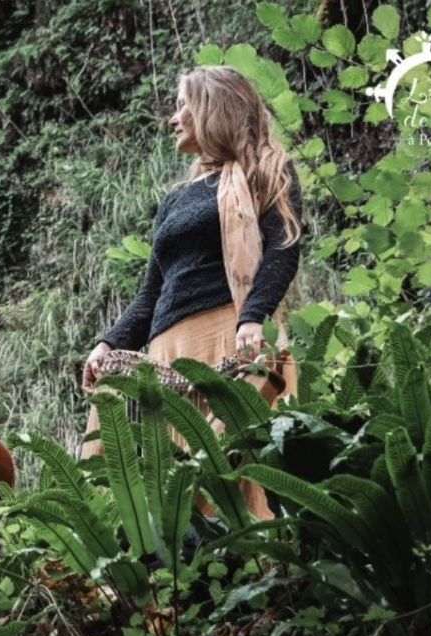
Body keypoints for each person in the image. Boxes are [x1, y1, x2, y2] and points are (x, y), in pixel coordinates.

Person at [80, 66, 304, 520]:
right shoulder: (175, 200)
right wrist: (109, 342)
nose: (173, 117)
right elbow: (150, 293)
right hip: (167, 354)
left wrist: (252, 317)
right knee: (163, 488)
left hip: (230, 336)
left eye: (184, 105)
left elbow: (282, 248)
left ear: (214, 108)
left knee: (233, 479)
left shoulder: (266, 168)